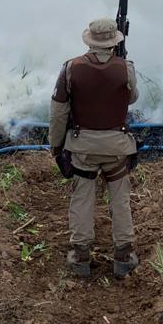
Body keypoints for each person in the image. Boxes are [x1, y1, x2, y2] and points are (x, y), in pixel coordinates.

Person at [49, 18, 140, 279]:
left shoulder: (70, 68)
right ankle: (123, 256)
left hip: (83, 148)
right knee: (120, 200)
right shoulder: (126, 68)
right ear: (115, 42)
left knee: (82, 198)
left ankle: (80, 256)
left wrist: (56, 146)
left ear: (89, 40)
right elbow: (131, 98)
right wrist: (122, 65)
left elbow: (58, 113)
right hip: (117, 147)